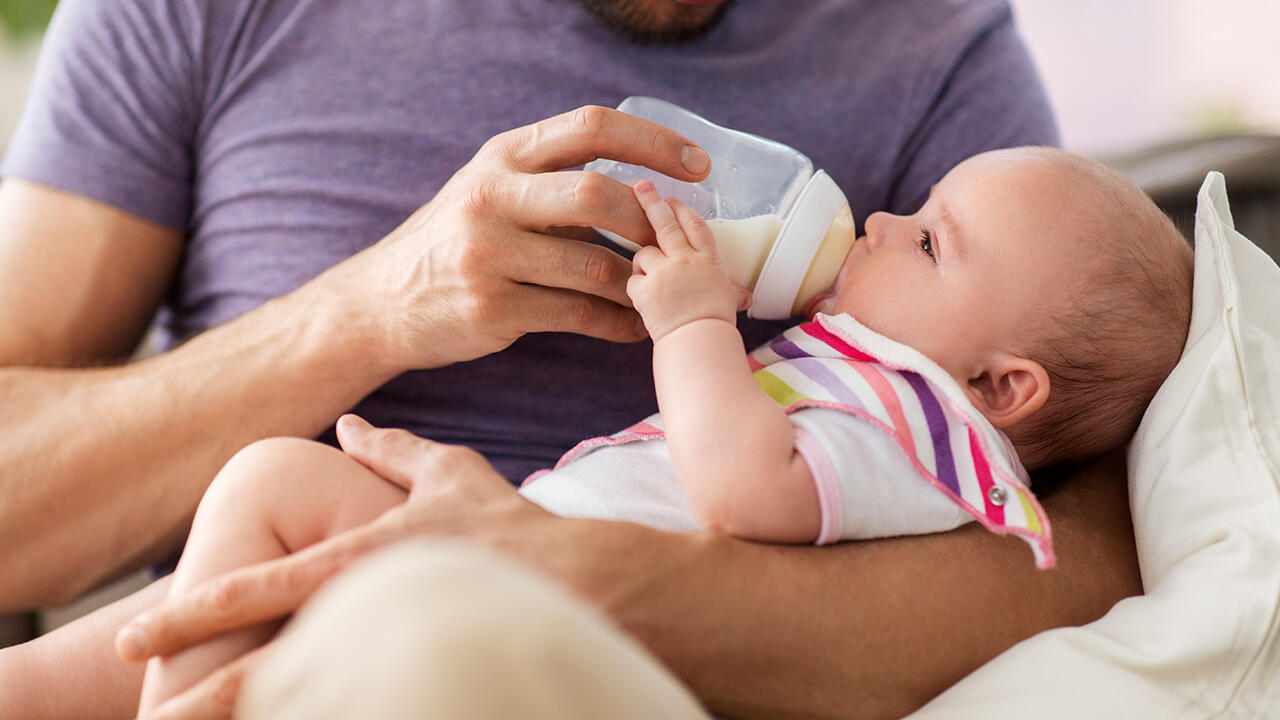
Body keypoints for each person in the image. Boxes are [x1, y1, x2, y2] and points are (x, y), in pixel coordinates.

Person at [0, 0, 1145, 717]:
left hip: (569, 647)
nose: (888, 224)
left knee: (420, 653)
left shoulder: (933, 49)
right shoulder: (197, 15)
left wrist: (594, 581)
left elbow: (1090, 556)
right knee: (241, 515)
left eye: (926, 232)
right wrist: (369, 310)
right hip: (298, 591)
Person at [114, 146, 1187, 713]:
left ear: (1001, 388)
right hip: (501, 554)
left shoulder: (923, 432)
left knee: (277, 500)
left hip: (560, 625)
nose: (883, 221)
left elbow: (740, 489)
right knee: (268, 485)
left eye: (929, 246)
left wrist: (692, 322)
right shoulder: (870, 377)